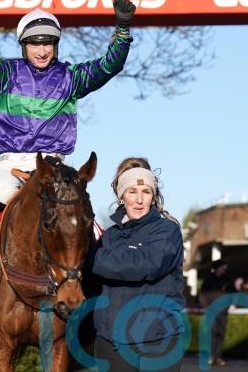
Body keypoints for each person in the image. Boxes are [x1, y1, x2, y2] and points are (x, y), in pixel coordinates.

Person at [0, 0, 136, 272]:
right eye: (35, 43)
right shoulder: (7, 72)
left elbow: (108, 66)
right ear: (24, 46)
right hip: (13, 164)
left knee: (88, 226)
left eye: (47, 42)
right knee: (0, 190)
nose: (42, 50)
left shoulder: (71, 77)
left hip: (55, 165)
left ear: (56, 45)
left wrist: (122, 31)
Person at [87, 157, 185, 371]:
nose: (139, 200)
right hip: (111, 342)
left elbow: (145, 264)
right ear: (122, 196)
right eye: (132, 192)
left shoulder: (167, 230)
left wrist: (93, 258)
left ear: (153, 196)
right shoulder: (109, 236)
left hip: (158, 340)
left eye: (146, 192)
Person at [200, 259, 236, 366]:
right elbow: (202, 293)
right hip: (211, 310)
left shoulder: (228, 278)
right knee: (212, 332)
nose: (225, 268)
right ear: (217, 268)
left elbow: (234, 293)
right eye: (222, 266)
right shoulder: (209, 278)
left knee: (221, 333)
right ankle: (210, 356)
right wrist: (205, 306)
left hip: (223, 310)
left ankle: (218, 357)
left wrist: (233, 304)